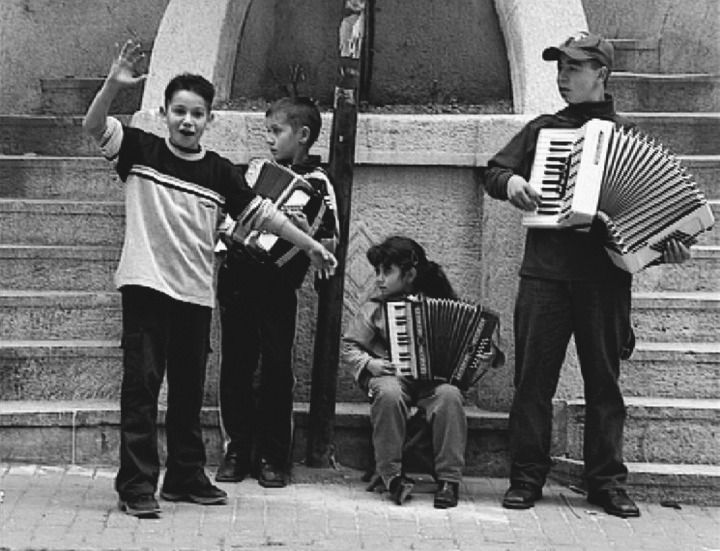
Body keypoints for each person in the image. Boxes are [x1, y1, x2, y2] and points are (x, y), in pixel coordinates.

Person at [82, 41, 337, 518]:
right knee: (141, 391)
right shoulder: (139, 148)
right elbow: (93, 127)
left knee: (186, 393)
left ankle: (183, 477)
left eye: (197, 114)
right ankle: (137, 485)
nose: (187, 121)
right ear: (164, 113)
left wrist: (312, 245)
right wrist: (113, 85)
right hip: (145, 287)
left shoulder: (220, 171)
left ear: (209, 120)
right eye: (179, 111)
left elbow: (263, 215)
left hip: (195, 295)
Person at [481, 32, 690, 518]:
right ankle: (526, 477)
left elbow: (650, 229)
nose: (563, 76)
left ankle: (607, 484)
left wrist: (667, 250)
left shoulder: (630, 138)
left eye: (574, 68)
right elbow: (494, 172)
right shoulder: (543, 130)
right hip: (545, 277)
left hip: (605, 282)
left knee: (604, 385)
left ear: (602, 74)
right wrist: (512, 181)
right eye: (560, 67)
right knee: (533, 383)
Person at [214, 97, 340, 489]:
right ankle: (237, 448)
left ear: (302, 136)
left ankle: (274, 455)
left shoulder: (319, 185)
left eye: (276, 131)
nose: (269, 139)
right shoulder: (252, 173)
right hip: (237, 278)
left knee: (276, 369)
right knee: (235, 364)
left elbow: (331, 244)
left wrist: (308, 232)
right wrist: (225, 234)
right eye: (267, 131)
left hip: (277, 286)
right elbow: (228, 216)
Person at [341, 236, 467, 509]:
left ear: (409, 274)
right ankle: (391, 475)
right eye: (377, 271)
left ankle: (448, 480)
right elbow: (349, 347)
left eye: (387, 271)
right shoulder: (375, 307)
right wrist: (370, 363)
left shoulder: (438, 301)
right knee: (388, 392)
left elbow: (469, 341)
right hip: (392, 377)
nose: (379, 279)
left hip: (432, 382)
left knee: (450, 396)